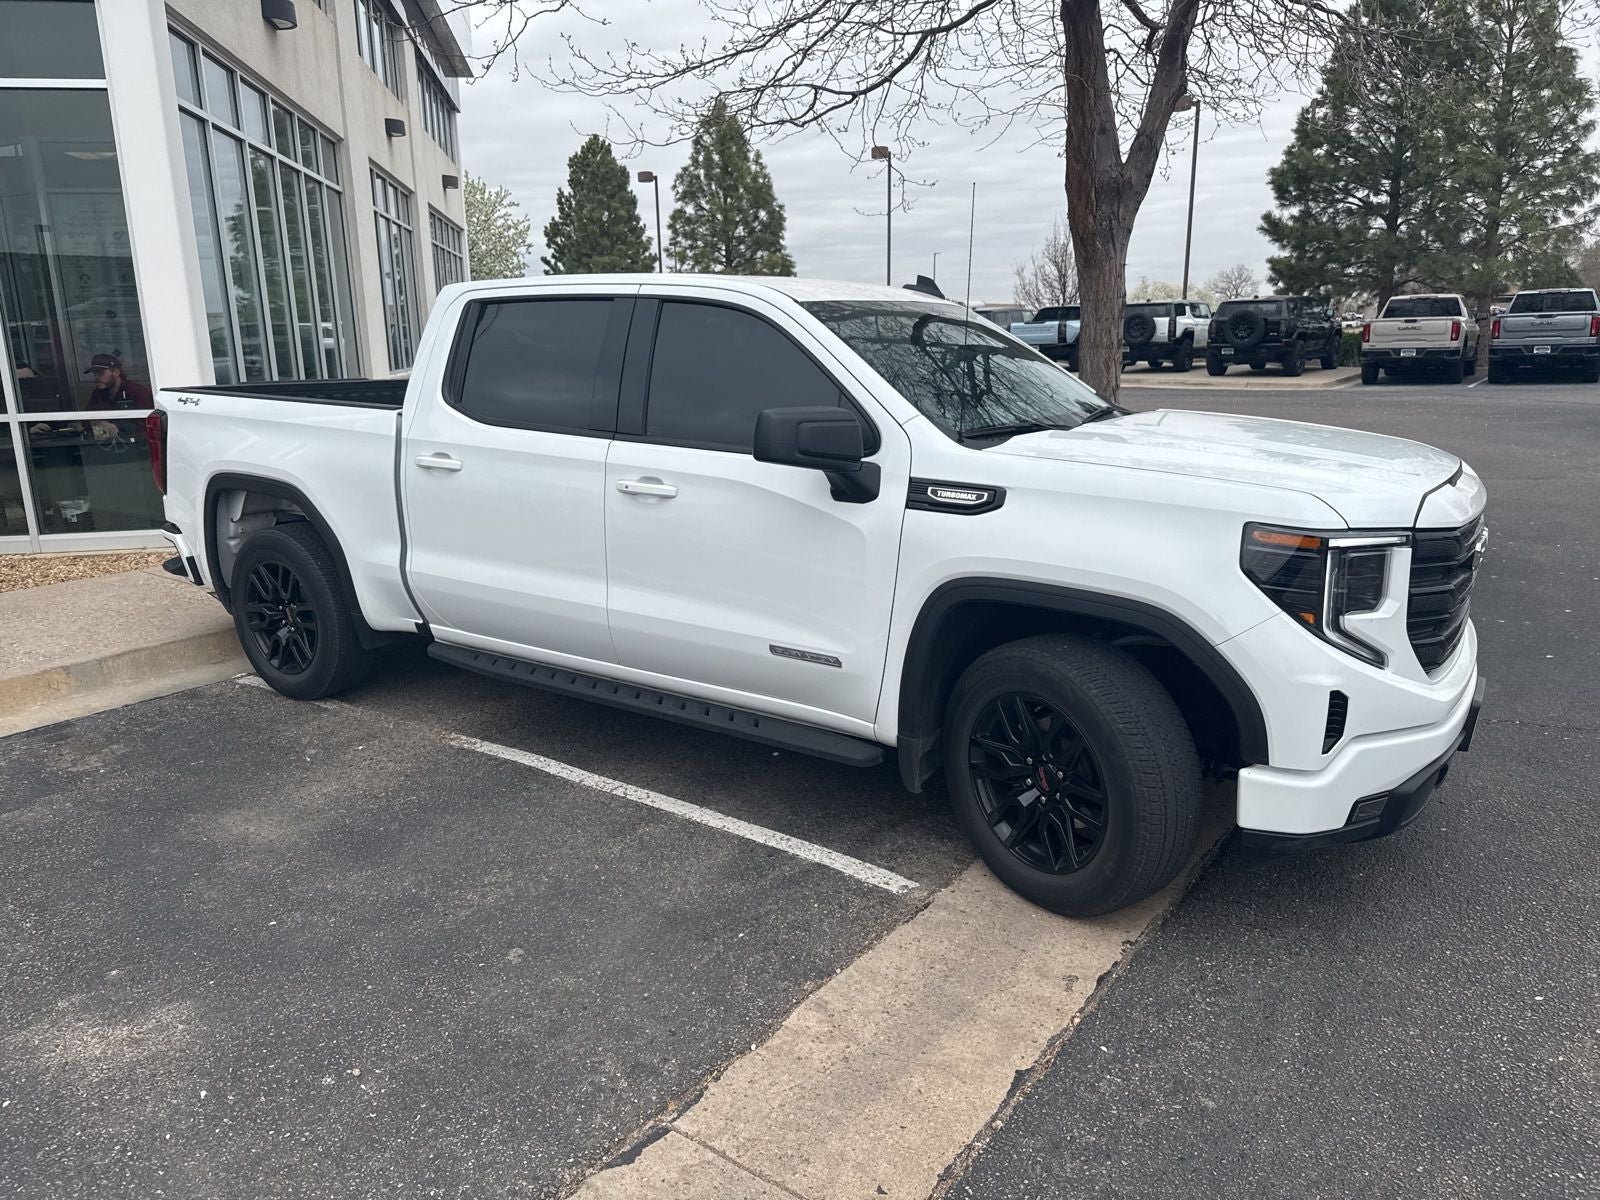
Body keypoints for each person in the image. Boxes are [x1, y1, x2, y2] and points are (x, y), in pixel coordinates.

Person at [83, 353, 152, 410]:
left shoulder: (136, 391)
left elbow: (146, 421)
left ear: (116, 372)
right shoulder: (98, 392)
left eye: (101, 373)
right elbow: (86, 419)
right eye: (95, 374)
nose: (97, 377)